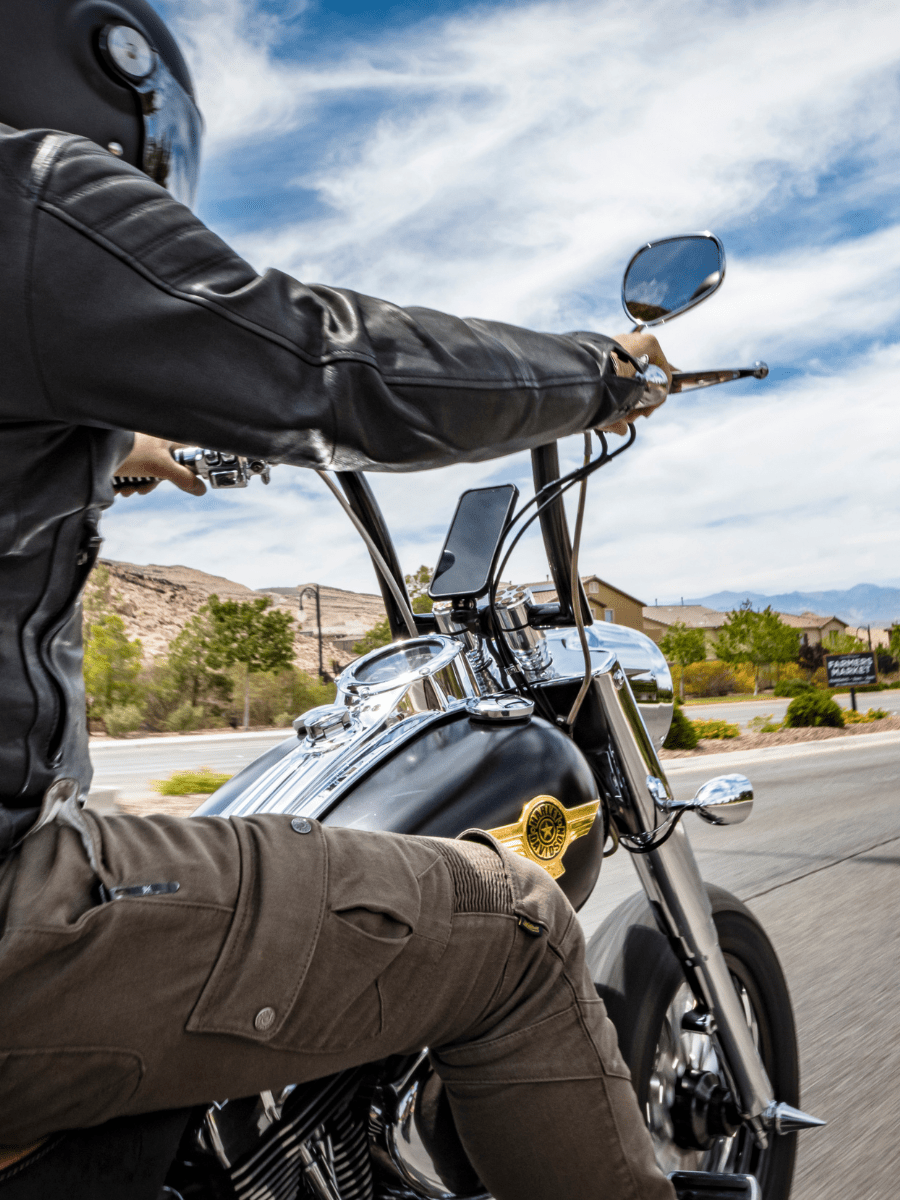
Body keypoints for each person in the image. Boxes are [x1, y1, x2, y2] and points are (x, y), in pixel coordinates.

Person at [0, 2, 680, 1197]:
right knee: (511, 924)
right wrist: (595, 374)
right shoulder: (30, 198)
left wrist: (102, 440)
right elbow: (327, 362)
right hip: (16, 913)